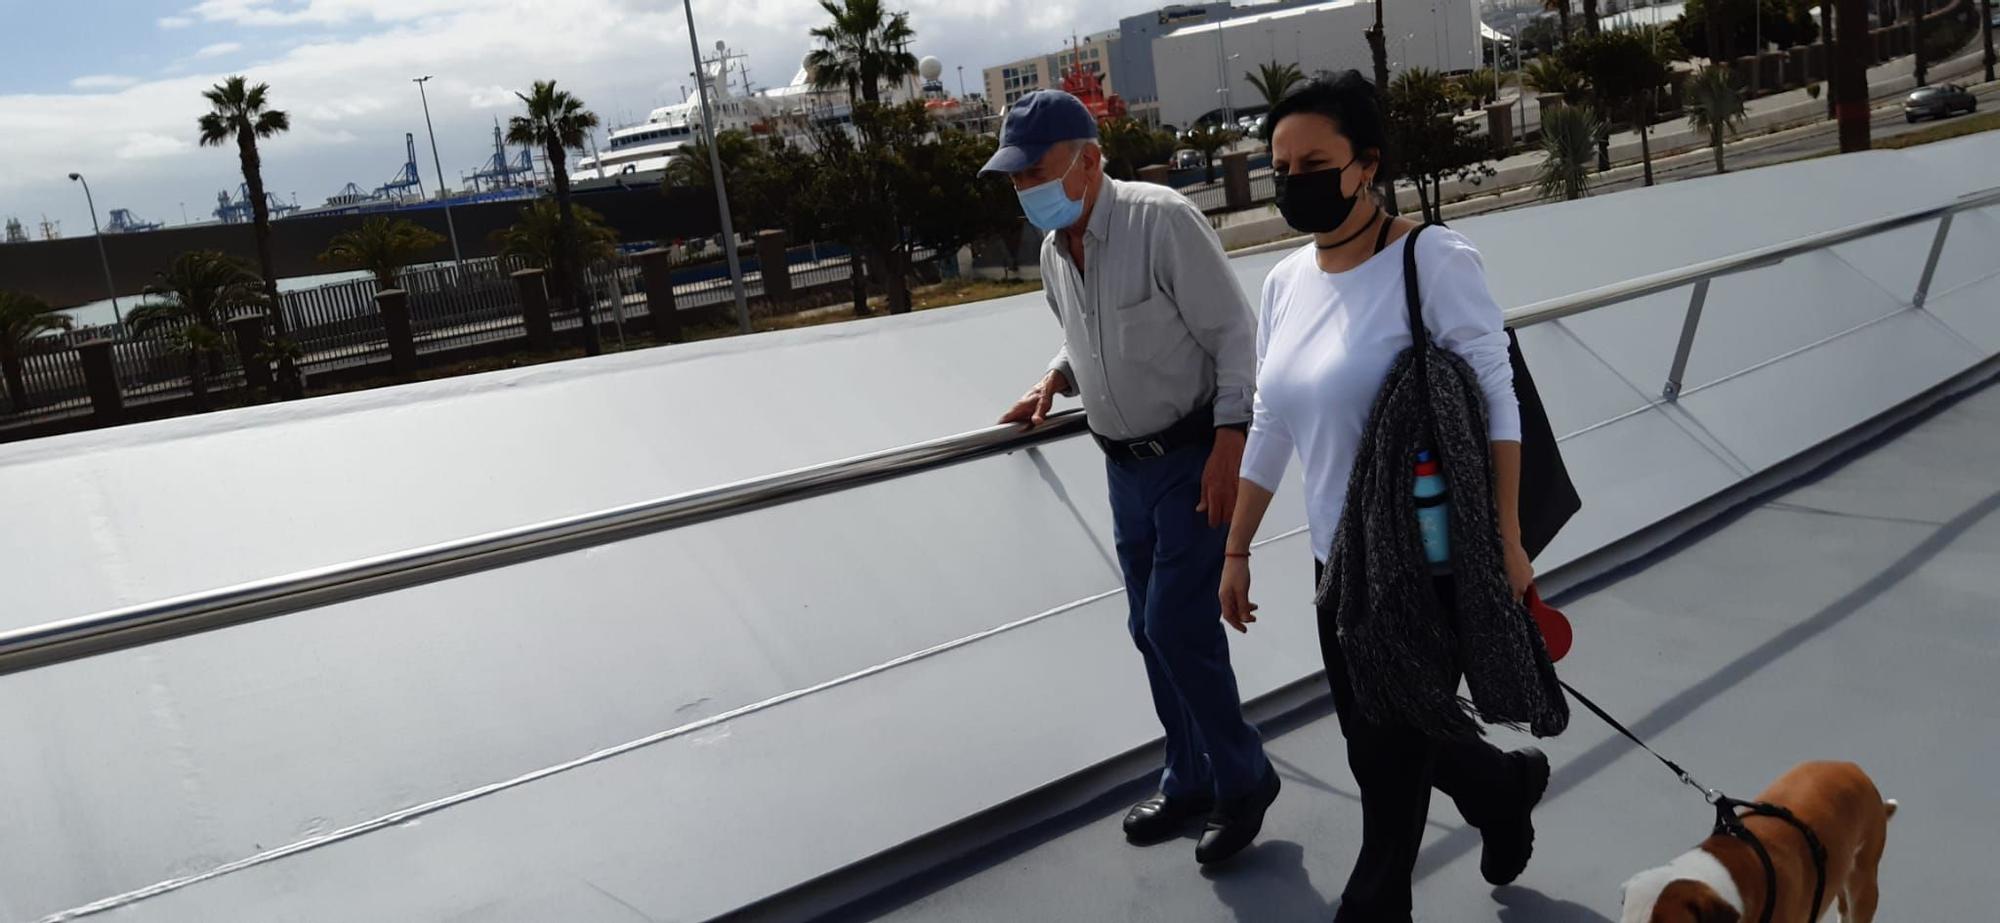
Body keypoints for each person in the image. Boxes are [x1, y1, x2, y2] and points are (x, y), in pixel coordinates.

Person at [1216, 73, 1551, 921]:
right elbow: (1271, 421)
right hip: (1341, 564)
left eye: (1315, 162)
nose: (1293, 180)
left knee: (1384, 756)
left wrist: (1507, 536)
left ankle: (1373, 904)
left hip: (1429, 557)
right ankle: (1501, 786)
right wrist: (1237, 547)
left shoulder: (1430, 260)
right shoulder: (1286, 281)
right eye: (1280, 164)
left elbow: (1498, 395)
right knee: (1384, 730)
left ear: (1366, 165)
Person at [982, 89, 1279, 866]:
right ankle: (1188, 775)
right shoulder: (1054, 251)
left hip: (1191, 459)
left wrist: (1230, 442)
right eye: (1014, 179)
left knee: (1177, 624)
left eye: (1033, 173)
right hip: (1124, 471)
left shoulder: (1161, 220)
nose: (1024, 191)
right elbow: (1089, 339)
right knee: (1149, 632)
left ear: (1089, 161)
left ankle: (1243, 777)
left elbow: (1235, 337)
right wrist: (1054, 379)